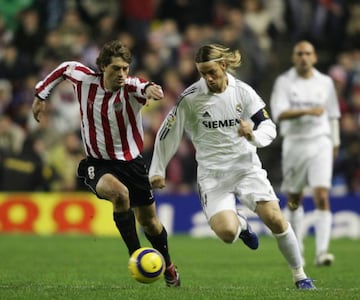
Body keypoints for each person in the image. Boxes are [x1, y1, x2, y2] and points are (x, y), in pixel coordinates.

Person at [150, 43, 315, 289]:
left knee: (275, 219)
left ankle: (300, 275)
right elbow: (168, 131)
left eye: (211, 72)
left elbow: (268, 125)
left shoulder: (243, 92)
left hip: (246, 167)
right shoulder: (191, 98)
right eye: (202, 73)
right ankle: (244, 225)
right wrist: (157, 169)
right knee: (227, 234)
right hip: (213, 175)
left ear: (223, 66)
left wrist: (253, 137)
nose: (207, 78)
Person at [32, 40, 180, 287]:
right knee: (119, 195)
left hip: (132, 164)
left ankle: (169, 264)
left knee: (150, 223)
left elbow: (145, 86)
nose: (122, 74)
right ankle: (136, 255)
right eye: (116, 69)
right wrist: (40, 95)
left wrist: (153, 89)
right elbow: (64, 68)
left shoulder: (131, 87)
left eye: (125, 68)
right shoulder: (84, 79)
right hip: (97, 163)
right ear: (102, 67)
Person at [270, 40, 341, 266]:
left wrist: (335, 144)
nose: (304, 57)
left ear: (315, 57)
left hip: (321, 142)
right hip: (295, 143)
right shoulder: (284, 82)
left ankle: (322, 253)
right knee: (294, 199)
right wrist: (308, 111)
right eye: (299, 53)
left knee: (321, 195)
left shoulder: (325, 82)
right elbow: (278, 113)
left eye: (308, 53)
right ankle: (297, 244)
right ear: (293, 57)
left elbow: (332, 116)